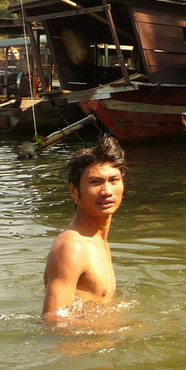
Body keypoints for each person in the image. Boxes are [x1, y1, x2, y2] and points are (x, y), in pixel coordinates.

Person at [42, 137, 125, 320]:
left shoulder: (97, 241)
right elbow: (53, 326)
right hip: (83, 348)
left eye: (114, 180)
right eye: (95, 182)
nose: (107, 191)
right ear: (73, 191)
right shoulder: (72, 248)